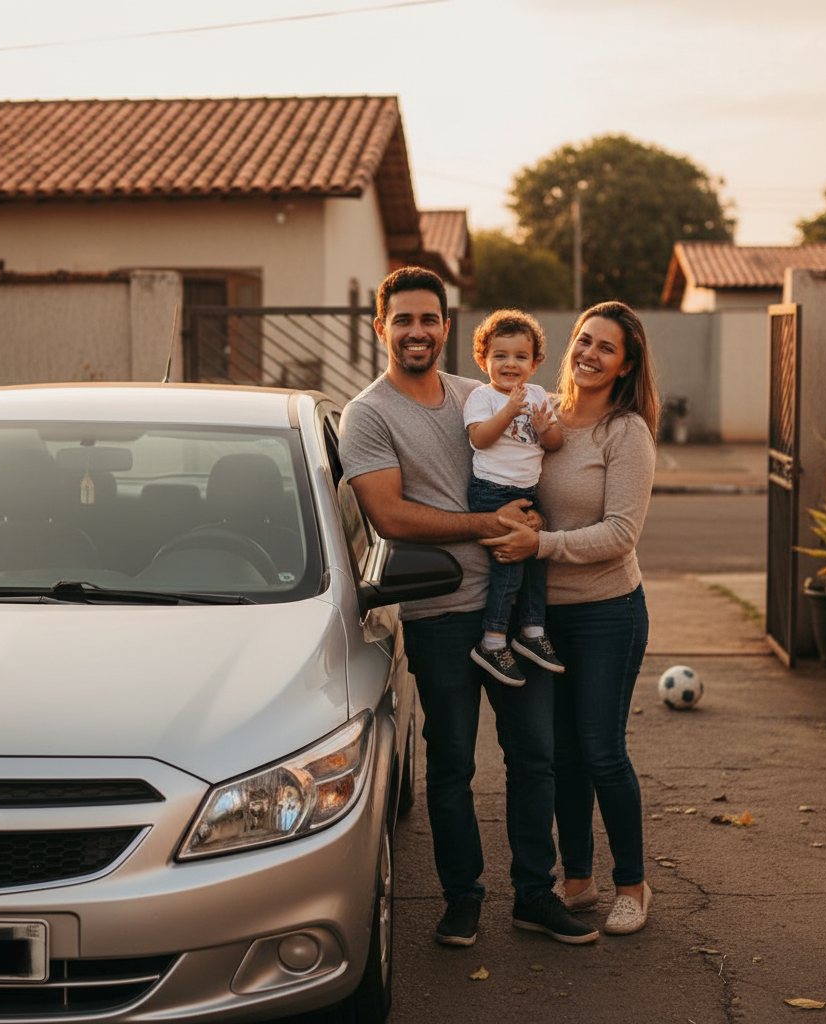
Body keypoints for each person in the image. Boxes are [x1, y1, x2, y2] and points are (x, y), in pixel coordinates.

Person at [339, 267, 598, 948]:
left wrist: (540, 519)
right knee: (452, 765)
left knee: (535, 757)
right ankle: (463, 899)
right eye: (403, 319)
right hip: (441, 613)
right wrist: (489, 525)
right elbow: (390, 515)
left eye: (428, 319)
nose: (416, 331)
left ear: (446, 328)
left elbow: (545, 454)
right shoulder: (368, 414)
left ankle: (534, 895)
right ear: (381, 327)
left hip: (515, 613)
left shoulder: (478, 392)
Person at [482, 300, 659, 936]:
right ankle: (578, 880)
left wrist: (541, 544)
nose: (589, 354)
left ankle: (632, 885)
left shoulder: (625, 432)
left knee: (602, 751)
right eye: (584, 340)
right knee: (561, 755)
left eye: (606, 348)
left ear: (625, 365)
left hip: (608, 611)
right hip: (541, 620)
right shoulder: (540, 412)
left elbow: (620, 533)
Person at [464, 310, 564, 686]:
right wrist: (508, 411)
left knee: (536, 554)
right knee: (509, 565)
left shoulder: (538, 396)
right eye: (500, 355)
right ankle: (492, 641)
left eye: (521, 356)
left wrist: (544, 428)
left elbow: (555, 443)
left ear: (534, 364)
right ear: (483, 360)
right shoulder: (482, 397)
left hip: (526, 493)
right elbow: (479, 438)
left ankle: (532, 631)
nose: (510, 364)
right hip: (492, 491)